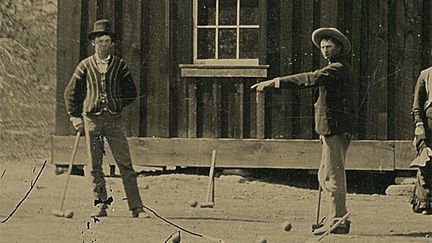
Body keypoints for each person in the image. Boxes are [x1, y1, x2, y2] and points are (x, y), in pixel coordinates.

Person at [251, 27, 355, 235]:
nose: (325, 51)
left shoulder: (338, 68)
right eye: (322, 47)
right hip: (329, 128)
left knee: (332, 176)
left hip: (335, 128)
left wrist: (276, 82)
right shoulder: (334, 67)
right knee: (324, 174)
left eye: (329, 47)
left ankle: (338, 220)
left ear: (339, 47)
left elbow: (311, 78)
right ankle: (335, 216)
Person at [64, 19, 148, 218]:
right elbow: (70, 93)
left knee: (125, 164)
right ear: (94, 43)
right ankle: (100, 205)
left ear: (112, 43)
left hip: (114, 121)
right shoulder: (84, 65)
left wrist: (116, 105)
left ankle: (136, 208)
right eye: (100, 41)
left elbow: (131, 92)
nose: (104, 45)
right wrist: (75, 117)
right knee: (94, 165)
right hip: (91, 120)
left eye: (107, 41)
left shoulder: (120, 66)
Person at [410, 66, 432, 215]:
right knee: (427, 162)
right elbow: (417, 105)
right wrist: (419, 124)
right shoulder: (426, 74)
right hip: (429, 126)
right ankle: (425, 203)